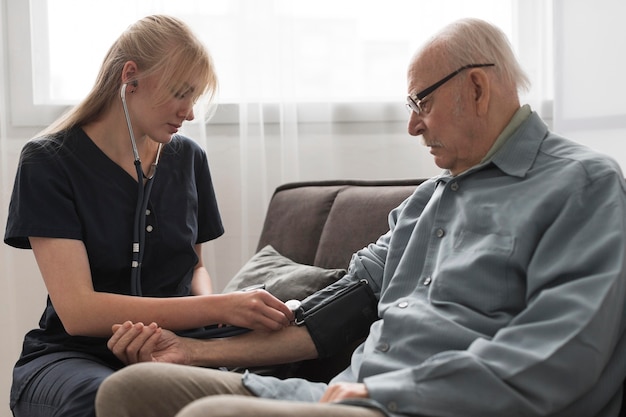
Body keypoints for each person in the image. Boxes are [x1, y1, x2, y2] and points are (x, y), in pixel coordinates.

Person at [95, 17, 626, 417]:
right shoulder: (425, 203)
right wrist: (189, 351)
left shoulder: (582, 184)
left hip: (423, 405)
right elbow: (334, 313)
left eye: (421, 102)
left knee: (210, 415)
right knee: (129, 392)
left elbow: (565, 351)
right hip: (346, 395)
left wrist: (385, 392)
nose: (413, 127)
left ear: (478, 88)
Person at [3, 14, 294, 417]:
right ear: (131, 77)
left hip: (175, 344)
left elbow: (193, 269)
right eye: (181, 93)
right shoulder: (48, 161)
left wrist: (203, 337)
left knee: (257, 383)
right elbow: (79, 312)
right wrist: (221, 307)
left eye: (194, 98)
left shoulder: (189, 159)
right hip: (74, 356)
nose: (189, 113)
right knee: (106, 397)